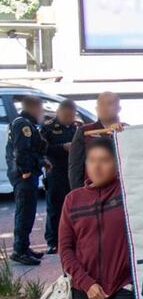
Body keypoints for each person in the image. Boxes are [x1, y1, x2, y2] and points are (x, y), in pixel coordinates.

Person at [59, 137, 134, 299]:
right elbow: (65, 249)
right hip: (84, 293)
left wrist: (125, 137)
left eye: (104, 160)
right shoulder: (73, 200)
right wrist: (87, 283)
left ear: (117, 163)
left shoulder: (128, 194)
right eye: (91, 160)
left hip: (121, 288)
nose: (96, 167)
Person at [4, 96, 46, 266]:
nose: (42, 112)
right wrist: (26, 171)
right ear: (33, 108)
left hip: (24, 174)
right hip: (24, 176)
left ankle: (24, 246)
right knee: (25, 212)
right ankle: (19, 250)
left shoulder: (24, 122)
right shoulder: (23, 125)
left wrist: (43, 161)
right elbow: (21, 151)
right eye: (40, 109)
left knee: (28, 212)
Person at [40, 100, 81, 254]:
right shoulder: (48, 128)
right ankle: (53, 241)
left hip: (73, 172)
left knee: (74, 207)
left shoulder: (77, 127)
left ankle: (73, 239)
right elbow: (43, 149)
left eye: (71, 116)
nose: (69, 119)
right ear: (58, 112)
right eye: (66, 115)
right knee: (55, 208)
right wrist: (62, 147)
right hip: (55, 172)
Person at [70, 91, 123, 189]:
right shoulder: (85, 131)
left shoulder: (127, 131)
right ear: (96, 108)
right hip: (92, 190)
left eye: (109, 104)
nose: (104, 108)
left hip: (120, 190)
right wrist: (78, 192)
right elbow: (75, 166)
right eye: (101, 104)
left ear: (119, 108)